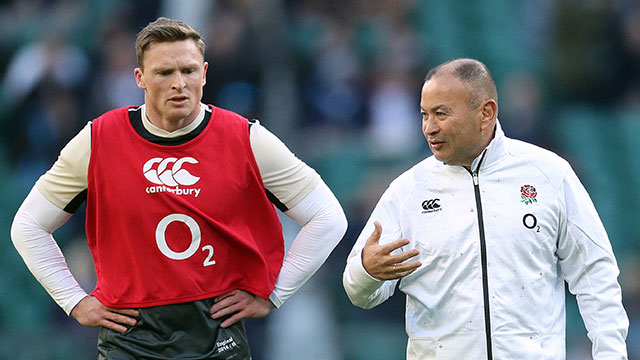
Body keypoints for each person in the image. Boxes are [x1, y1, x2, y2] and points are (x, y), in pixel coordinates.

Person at [11, 17, 347, 359]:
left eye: (188, 71)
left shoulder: (246, 139)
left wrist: (275, 294)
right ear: (140, 79)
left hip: (218, 338)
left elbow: (328, 216)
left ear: (203, 73)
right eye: (164, 73)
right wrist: (74, 301)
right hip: (129, 340)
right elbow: (28, 225)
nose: (179, 84)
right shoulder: (98, 140)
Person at [342, 58, 628, 359]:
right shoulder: (407, 192)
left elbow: (596, 274)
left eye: (441, 114)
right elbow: (357, 291)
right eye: (424, 114)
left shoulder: (550, 175)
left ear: (486, 113)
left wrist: (611, 354)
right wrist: (367, 271)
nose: (429, 127)